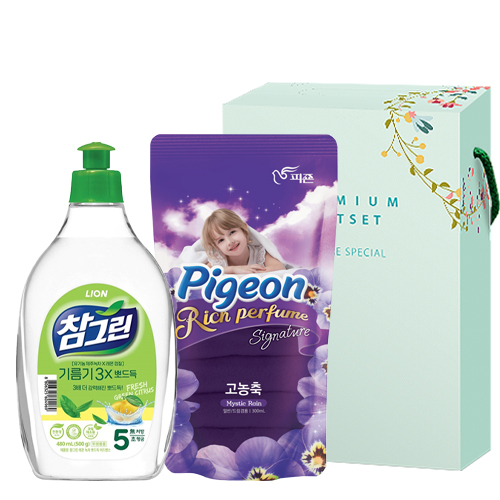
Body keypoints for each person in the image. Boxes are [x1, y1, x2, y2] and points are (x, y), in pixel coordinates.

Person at [201, 209, 286, 274]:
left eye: (232, 232)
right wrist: (234, 270)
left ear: (244, 228)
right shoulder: (218, 259)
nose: (229, 242)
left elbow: (279, 267)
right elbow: (204, 273)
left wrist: (249, 272)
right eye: (221, 240)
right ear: (216, 246)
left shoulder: (259, 253)